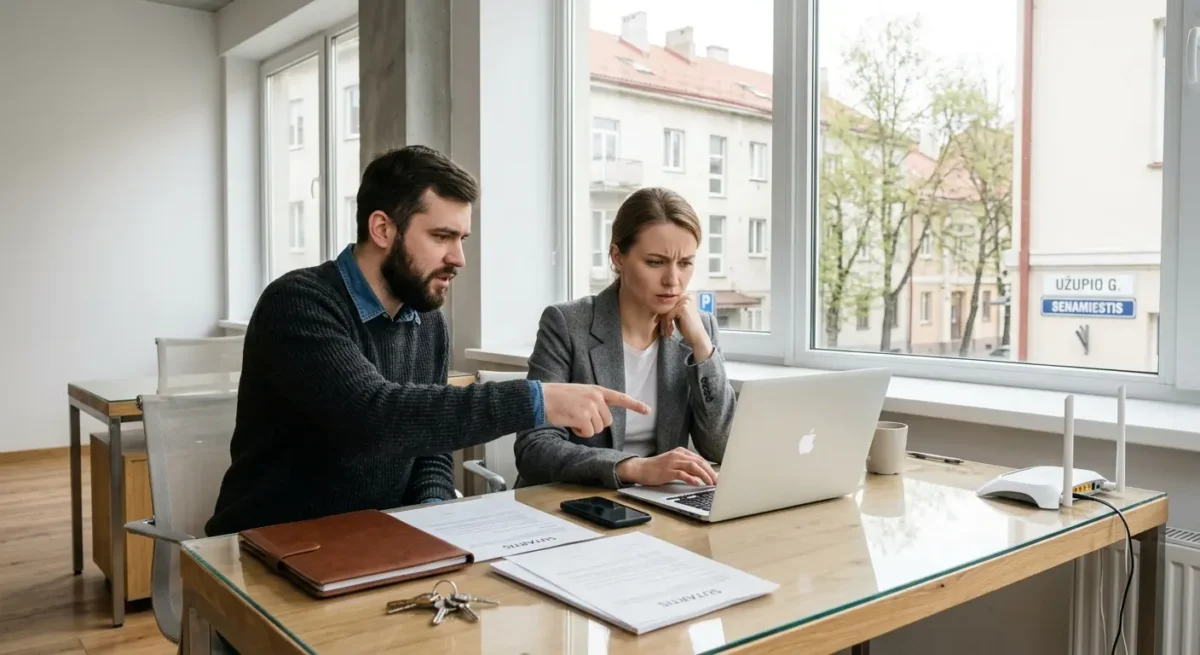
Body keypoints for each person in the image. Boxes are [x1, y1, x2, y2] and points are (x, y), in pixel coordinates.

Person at [205, 145, 648, 537]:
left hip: (377, 541)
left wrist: (434, 514)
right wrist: (536, 400)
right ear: (383, 229)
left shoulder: (427, 321)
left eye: (461, 238)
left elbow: (429, 446)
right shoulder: (299, 302)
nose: (458, 258)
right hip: (271, 546)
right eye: (441, 237)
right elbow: (373, 418)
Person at [513, 187, 736, 490]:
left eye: (685, 263)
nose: (673, 280)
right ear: (617, 257)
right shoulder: (567, 324)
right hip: (574, 499)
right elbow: (534, 447)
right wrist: (633, 468)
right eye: (655, 262)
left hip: (656, 501)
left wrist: (702, 346)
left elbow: (721, 447)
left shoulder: (700, 329)